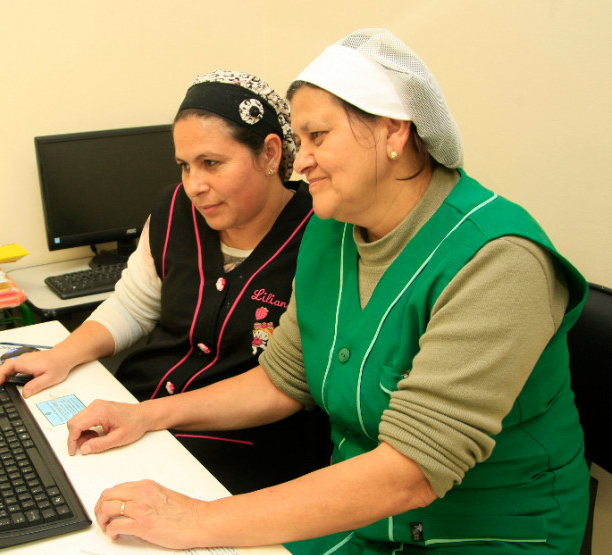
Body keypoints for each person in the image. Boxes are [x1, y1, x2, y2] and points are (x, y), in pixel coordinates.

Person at [63, 29, 590, 553]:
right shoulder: (331, 232)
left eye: (317, 137)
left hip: (487, 533)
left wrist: (198, 519)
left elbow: (411, 471)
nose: (299, 162)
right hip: (361, 521)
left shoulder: (498, 260)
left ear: (393, 132)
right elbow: (280, 381)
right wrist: (143, 414)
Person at [0, 69, 331, 494]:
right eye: (185, 166)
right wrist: (61, 356)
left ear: (270, 154)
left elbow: (288, 384)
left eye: (212, 164)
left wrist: (148, 417)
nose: (194, 186)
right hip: (141, 407)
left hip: (243, 448)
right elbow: (132, 306)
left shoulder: (322, 234)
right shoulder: (175, 207)